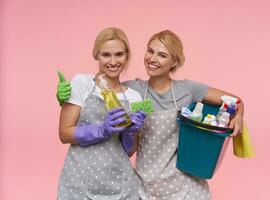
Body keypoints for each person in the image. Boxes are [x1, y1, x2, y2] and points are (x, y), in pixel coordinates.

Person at [57, 30, 244, 200]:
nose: (153, 58)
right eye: (150, 51)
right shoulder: (134, 91)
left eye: (162, 55)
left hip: (183, 184)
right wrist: (65, 97)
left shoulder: (187, 90)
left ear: (175, 62)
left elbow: (234, 101)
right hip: (144, 187)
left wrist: (238, 116)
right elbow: (101, 87)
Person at [57, 27, 146, 200]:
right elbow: (64, 133)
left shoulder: (135, 97)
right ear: (96, 55)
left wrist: (130, 131)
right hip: (79, 182)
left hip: (121, 185)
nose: (113, 61)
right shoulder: (82, 83)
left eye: (119, 54)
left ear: (127, 56)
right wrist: (102, 130)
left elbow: (129, 151)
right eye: (106, 55)